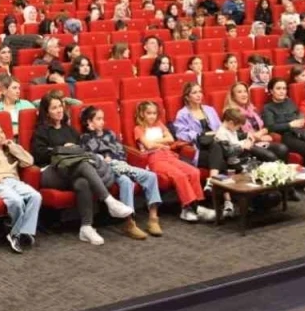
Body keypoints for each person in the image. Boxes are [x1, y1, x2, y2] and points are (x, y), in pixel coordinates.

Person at [30, 94, 134, 246]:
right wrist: (61, 149)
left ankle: (86, 227)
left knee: (82, 182)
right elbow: (38, 154)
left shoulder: (70, 130)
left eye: (60, 106)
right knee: (82, 165)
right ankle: (109, 201)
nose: (59, 110)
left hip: (71, 171)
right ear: (46, 112)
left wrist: (74, 150)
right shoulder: (42, 131)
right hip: (50, 172)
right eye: (54, 108)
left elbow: (82, 150)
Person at [80, 106, 162, 239]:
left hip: (119, 164)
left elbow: (121, 151)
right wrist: (103, 157)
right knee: (126, 180)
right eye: (98, 119)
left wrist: (112, 158)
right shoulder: (85, 138)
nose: (102, 122)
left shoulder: (110, 134)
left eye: (103, 119)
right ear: (89, 122)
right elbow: (90, 158)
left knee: (151, 176)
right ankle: (130, 223)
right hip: (105, 170)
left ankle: (153, 219)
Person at [132, 101, 211, 223]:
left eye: (154, 113)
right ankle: (189, 208)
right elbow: (148, 145)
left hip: (169, 155)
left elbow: (171, 138)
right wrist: (162, 144)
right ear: (142, 114)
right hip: (154, 159)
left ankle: (196, 205)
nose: (152, 116)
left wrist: (156, 143)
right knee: (179, 175)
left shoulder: (159, 124)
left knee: (193, 171)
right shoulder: (138, 128)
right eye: (149, 113)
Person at [0, 123, 43, 253]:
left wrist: (13, 146)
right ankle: (16, 234)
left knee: (36, 196)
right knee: (16, 201)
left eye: (2, 132)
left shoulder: (11, 149)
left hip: (13, 181)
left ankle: (22, 232)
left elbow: (29, 161)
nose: (1, 136)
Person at [261, 79, 305, 177]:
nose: (282, 91)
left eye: (284, 88)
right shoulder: (268, 107)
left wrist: (302, 119)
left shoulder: (289, 102)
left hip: (300, 131)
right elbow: (270, 127)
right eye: (278, 88)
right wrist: (290, 125)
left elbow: (299, 113)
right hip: (286, 135)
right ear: (271, 91)